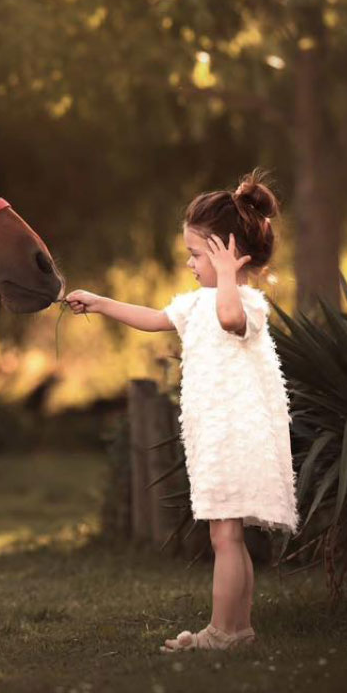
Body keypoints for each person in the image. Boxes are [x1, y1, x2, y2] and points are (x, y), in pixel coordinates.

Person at [65, 169, 298, 653]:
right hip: (212, 436)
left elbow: (230, 320)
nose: (190, 264)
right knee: (226, 536)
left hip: (235, 435)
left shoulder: (246, 302)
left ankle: (224, 631)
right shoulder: (198, 303)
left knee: (225, 538)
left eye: (196, 254)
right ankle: (239, 629)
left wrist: (231, 276)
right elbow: (154, 319)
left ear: (225, 252)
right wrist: (101, 302)